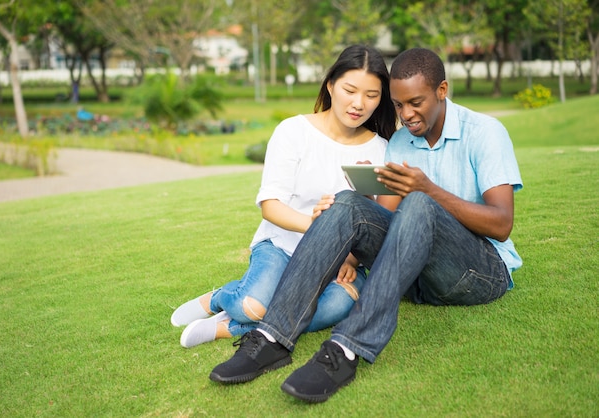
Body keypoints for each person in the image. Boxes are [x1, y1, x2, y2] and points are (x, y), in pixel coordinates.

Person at [207, 48, 523, 403]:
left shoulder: (485, 132)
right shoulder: (402, 140)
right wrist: (354, 242)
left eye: (415, 103)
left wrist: (428, 190)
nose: (406, 115)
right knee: (346, 201)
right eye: (398, 105)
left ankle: (346, 350)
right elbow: (383, 218)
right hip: (417, 280)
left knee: (420, 201)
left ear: (442, 90)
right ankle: (272, 339)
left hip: (480, 273)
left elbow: (501, 224)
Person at [170, 44, 397, 348]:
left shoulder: (381, 149)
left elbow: (381, 220)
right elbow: (271, 206)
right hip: (282, 244)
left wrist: (352, 256)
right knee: (253, 304)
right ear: (330, 86)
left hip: (341, 259)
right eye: (350, 90)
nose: (359, 104)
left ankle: (230, 327)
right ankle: (223, 296)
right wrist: (322, 228)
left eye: (372, 95)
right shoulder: (293, 132)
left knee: (339, 305)